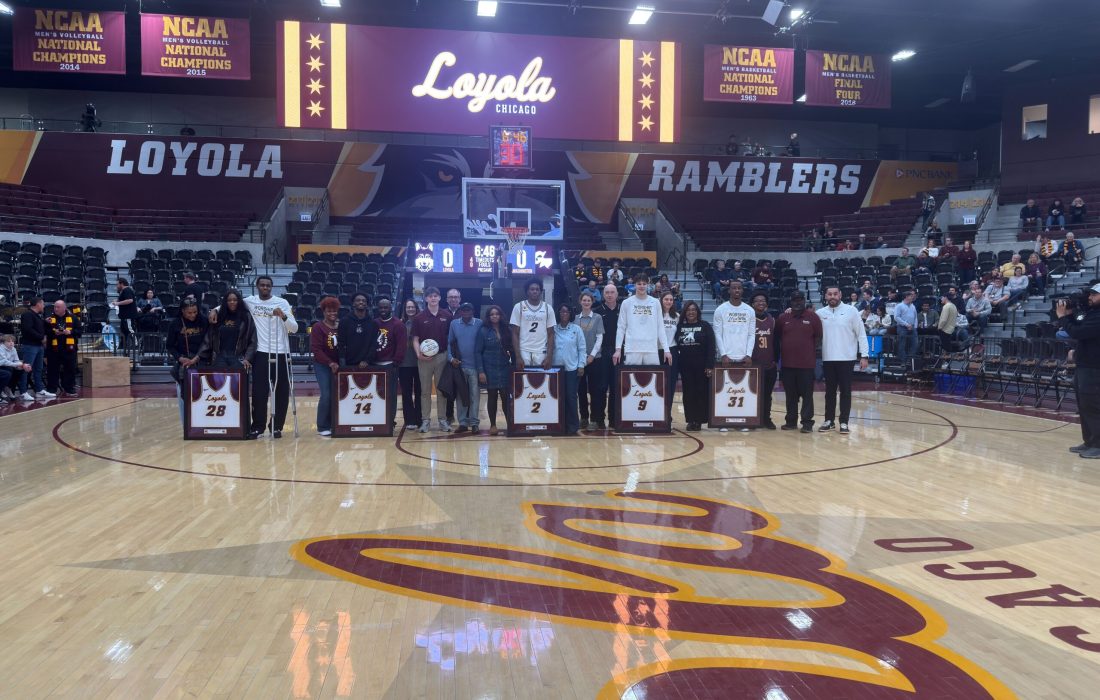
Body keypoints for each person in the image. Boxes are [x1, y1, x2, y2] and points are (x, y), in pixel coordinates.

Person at [242, 276, 298, 439]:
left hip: (281, 352)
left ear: (272, 288)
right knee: (259, 392)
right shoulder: (250, 301)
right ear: (257, 286)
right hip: (261, 352)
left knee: (281, 392)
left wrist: (283, 316)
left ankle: (276, 426)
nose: (265, 287)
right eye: (262, 285)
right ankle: (258, 427)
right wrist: (214, 311)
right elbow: (230, 303)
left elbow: (294, 329)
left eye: (268, 285)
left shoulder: (282, 303)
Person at [1055, 284, 1100, 458]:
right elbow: (1078, 325)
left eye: (1094, 295)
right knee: (1084, 405)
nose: (1090, 297)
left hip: (1095, 369)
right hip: (1085, 366)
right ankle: (1089, 441)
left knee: (1094, 406)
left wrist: (1062, 318)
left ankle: (1098, 445)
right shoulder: (1093, 313)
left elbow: (1078, 332)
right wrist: (1069, 315)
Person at [817, 286, 869, 434]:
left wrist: (864, 356)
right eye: (829, 294)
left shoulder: (851, 311)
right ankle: (829, 421)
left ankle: (844, 422)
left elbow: (861, 334)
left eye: (835, 294)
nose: (832, 296)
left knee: (846, 391)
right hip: (828, 358)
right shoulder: (820, 313)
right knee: (829, 392)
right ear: (826, 296)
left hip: (847, 358)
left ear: (840, 295)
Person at [775, 292, 821, 433]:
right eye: (794, 300)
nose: (797, 303)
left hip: (806, 365)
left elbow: (818, 337)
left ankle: (807, 424)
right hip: (788, 365)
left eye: (800, 300)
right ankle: (791, 422)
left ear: (804, 301)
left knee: (807, 396)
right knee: (790, 396)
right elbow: (777, 337)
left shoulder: (813, 317)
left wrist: (807, 350)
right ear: (790, 302)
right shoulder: (783, 318)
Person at [412, 287, 453, 433]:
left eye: (436, 296)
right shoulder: (419, 317)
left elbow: (451, 338)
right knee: (425, 391)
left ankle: (442, 420)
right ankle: (425, 421)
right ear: (426, 299)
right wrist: (418, 355)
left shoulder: (447, 315)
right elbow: (415, 339)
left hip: (442, 356)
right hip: (424, 358)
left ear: (440, 298)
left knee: (441, 390)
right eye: (430, 296)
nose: (433, 298)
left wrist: (449, 355)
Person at [674, 301, 715, 432]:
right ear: (684, 313)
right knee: (688, 394)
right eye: (688, 310)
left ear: (697, 312)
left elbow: (711, 347)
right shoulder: (679, 327)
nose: (691, 312)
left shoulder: (705, 326)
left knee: (701, 393)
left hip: (702, 366)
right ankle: (690, 420)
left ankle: (699, 420)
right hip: (685, 366)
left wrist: (709, 365)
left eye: (693, 310)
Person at [166, 299, 207, 424]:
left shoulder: (204, 321)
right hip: (184, 362)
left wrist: (198, 357)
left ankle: (203, 422)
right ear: (183, 311)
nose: (192, 315)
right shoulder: (175, 324)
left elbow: (208, 342)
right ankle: (187, 425)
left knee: (204, 394)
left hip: (202, 360)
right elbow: (170, 346)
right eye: (189, 313)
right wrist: (179, 357)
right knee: (185, 396)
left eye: (195, 312)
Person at [614, 273, 670, 366]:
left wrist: (666, 350)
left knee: (652, 379)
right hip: (632, 348)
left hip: (651, 348)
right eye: (639, 284)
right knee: (631, 379)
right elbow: (621, 327)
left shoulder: (655, 302)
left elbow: (660, 327)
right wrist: (618, 349)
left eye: (644, 284)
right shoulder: (626, 303)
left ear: (648, 285)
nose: (642, 286)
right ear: (634, 285)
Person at [476, 304, 513, 436]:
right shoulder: (483, 331)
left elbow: (512, 349)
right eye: (492, 314)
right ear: (488, 317)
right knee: (491, 396)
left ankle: (510, 424)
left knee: (505, 397)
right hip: (489, 368)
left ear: (501, 315)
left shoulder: (507, 329)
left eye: (497, 314)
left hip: (504, 367)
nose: (495, 316)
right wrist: (481, 371)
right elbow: (478, 352)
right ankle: (493, 425)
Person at [198, 289, 256, 370]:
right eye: (229, 300)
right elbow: (209, 338)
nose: (232, 302)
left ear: (239, 301)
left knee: (238, 382)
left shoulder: (246, 317)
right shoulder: (219, 315)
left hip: (239, 357)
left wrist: (247, 358)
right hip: (220, 357)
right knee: (219, 382)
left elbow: (253, 340)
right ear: (225, 302)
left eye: (235, 300)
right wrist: (198, 356)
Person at [447, 302, 482, 434]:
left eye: (469, 311)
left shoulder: (479, 323)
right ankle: (462, 423)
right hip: (459, 366)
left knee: (475, 396)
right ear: (460, 312)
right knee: (460, 396)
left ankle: (474, 423)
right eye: (464, 311)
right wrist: (450, 358)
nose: (466, 313)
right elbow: (449, 342)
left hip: (475, 367)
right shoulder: (454, 324)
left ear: (473, 312)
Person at [551, 303, 586, 435]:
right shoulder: (553, 329)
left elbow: (582, 349)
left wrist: (581, 365)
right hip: (556, 370)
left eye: (566, 311)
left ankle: (573, 426)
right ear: (558, 313)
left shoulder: (576, 329)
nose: (564, 314)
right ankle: (560, 424)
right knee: (558, 397)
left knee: (571, 397)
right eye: (562, 311)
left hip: (572, 369)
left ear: (570, 314)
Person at [371, 297, 405, 431]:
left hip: (390, 365)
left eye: (386, 307)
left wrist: (395, 362)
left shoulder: (398, 324)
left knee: (390, 395)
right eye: (381, 307)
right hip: (374, 365)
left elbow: (401, 347)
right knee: (376, 395)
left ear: (391, 308)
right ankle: (378, 419)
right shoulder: (374, 323)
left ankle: (390, 421)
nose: (383, 310)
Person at [310, 297, 341, 437]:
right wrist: (330, 363)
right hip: (322, 365)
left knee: (338, 395)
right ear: (323, 311)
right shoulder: (318, 327)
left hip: (339, 364)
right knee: (326, 394)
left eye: (334, 311)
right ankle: (322, 425)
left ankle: (335, 422)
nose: (332, 313)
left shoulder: (341, 326)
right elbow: (316, 350)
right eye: (329, 311)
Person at [510, 277, 555, 370]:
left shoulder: (548, 308)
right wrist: (517, 356)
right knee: (523, 381)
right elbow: (514, 333)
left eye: (537, 289)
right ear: (527, 291)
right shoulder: (519, 307)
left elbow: (551, 334)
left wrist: (549, 357)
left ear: (541, 291)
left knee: (540, 381)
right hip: (523, 350)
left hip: (541, 350)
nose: (535, 291)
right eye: (532, 289)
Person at [575, 291, 605, 430]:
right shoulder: (575, 319)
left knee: (594, 390)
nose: (586, 302)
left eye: (588, 300)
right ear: (580, 302)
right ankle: (584, 418)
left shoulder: (597, 317)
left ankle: (594, 419)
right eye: (584, 300)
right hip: (579, 360)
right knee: (580, 391)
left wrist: (592, 355)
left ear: (592, 302)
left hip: (595, 359)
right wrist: (581, 357)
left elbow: (599, 338)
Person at [593, 283, 620, 429]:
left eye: (612, 292)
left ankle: (614, 418)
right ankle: (599, 419)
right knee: (601, 387)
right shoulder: (597, 311)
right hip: (602, 353)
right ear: (603, 295)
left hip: (618, 353)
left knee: (616, 387)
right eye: (607, 292)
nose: (609, 295)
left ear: (616, 294)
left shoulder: (623, 310)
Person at [750, 292, 777, 430]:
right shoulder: (749, 319)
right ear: (752, 304)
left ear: (766, 303)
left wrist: (775, 360)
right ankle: (753, 419)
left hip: (769, 364)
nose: (760, 302)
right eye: (757, 300)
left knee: (767, 395)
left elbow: (777, 342)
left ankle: (766, 418)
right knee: (753, 394)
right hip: (753, 364)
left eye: (763, 300)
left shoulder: (772, 320)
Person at [713, 280, 755, 367]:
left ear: (742, 290)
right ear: (729, 290)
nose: (737, 290)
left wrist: (748, 355)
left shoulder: (750, 310)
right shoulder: (720, 310)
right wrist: (723, 355)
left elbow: (751, 335)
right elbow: (717, 334)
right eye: (734, 288)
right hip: (726, 357)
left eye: (739, 288)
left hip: (744, 357)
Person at [45, 300, 81, 397]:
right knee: (52, 369)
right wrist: (53, 332)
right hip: (53, 349)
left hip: (69, 349)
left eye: (58, 307)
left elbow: (79, 331)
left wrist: (70, 332)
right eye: (55, 307)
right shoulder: (49, 319)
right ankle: (52, 388)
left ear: (64, 308)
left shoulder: (73, 318)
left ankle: (69, 387)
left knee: (70, 368)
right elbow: (45, 331)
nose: (55, 309)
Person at [18, 297, 50, 399]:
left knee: (38, 369)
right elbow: (28, 330)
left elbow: (37, 325)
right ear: (38, 304)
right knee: (26, 369)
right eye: (43, 304)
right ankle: (23, 392)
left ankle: (39, 390)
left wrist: (45, 321)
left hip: (38, 346)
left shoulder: (36, 316)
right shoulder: (27, 315)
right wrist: (41, 338)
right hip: (30, 346)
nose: (44, 306)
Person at [338, 293, 379, 369]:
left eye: (364, 301)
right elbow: (341, 344)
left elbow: (373, 345)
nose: (361, 302)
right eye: (358, 300)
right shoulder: (344, 321)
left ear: (367, 304)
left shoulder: (373, 323)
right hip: (348, 364)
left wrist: (367, 360)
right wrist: (342, 362)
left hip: (367, 364)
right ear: (353, 303)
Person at [399, 299, 422, 430]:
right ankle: (409, 420)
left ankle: (419, 419)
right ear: (405, 309)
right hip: (404, 364)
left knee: (420, 392)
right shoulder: (400, 324)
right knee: (406, 393)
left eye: (412, 307)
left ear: (416, 308)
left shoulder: (421, 322)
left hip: (419, 363)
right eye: (408, 307)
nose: (410, 309)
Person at [659, 291, 679, 418]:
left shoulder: (676, 316)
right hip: (658, 351)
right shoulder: (656, 315)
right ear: (661, 300)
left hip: (672, 351)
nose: (668, 302)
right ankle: (657, 412)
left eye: (671, 300)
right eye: (666, 299)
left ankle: (668, 414)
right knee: (659, 383)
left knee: (670, 384)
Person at [444, 289, 462, 424]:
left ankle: (464, 417)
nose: (454, 299)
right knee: (449, 387)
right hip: (446, 354)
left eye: (456, 297)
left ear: (460, 299)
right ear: (447, 299)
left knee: (463, 387)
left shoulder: (466, 313)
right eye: (451, 297)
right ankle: (449, 415)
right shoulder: (442, 313)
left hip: (463, 355)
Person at [0, 335, 31, 404]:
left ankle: (8, 387)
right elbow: (3, 362)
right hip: (2, 366)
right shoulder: (1, 348)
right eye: (8, 341)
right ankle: (2, 390)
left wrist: (23, 366)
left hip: (8, 366)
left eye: (13, 341)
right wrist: (20, 365)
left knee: (21, 370)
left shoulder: (13, 349)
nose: (11, 343)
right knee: (8, 372)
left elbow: (16, 360)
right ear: (3, 343)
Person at [113, 277, 137, 352]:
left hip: (128, 315)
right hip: (124, 316)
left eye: (117, 284)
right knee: (124, 331)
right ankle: (124, 346)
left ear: (121, 284)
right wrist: (117, 301)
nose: (116, 286)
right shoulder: (124, 291)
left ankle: (135, 344)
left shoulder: (127, 290)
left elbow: (130, 300)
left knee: (130, 330)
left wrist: (118, 303)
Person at [894, 290, 917, 362]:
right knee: (902, 345)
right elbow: (896, 317)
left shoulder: (913, 306)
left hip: (912, 327)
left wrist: (915, 327)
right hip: (902, 328)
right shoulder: (899, 306)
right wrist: (906, 325)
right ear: (906, 297)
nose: (912, 297)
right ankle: (903, 361)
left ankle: (910, 361)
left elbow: (915, 317)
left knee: (914, 344)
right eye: (911, 296)